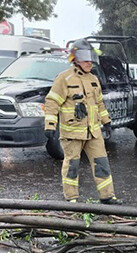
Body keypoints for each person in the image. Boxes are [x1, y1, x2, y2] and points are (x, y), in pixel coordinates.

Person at [44, 38, 121, 204]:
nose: (89, 62)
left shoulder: (93, 79)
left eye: (91, 57)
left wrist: (106, 121)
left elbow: (99, 103)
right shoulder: (64, 79)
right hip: (72, 133)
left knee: (102, 163)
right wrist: (50, 125)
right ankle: (71, 198)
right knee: (72, 166)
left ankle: (107, 196)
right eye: (85, 58)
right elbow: (51, 102)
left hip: (93, 132)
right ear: (75, 59)